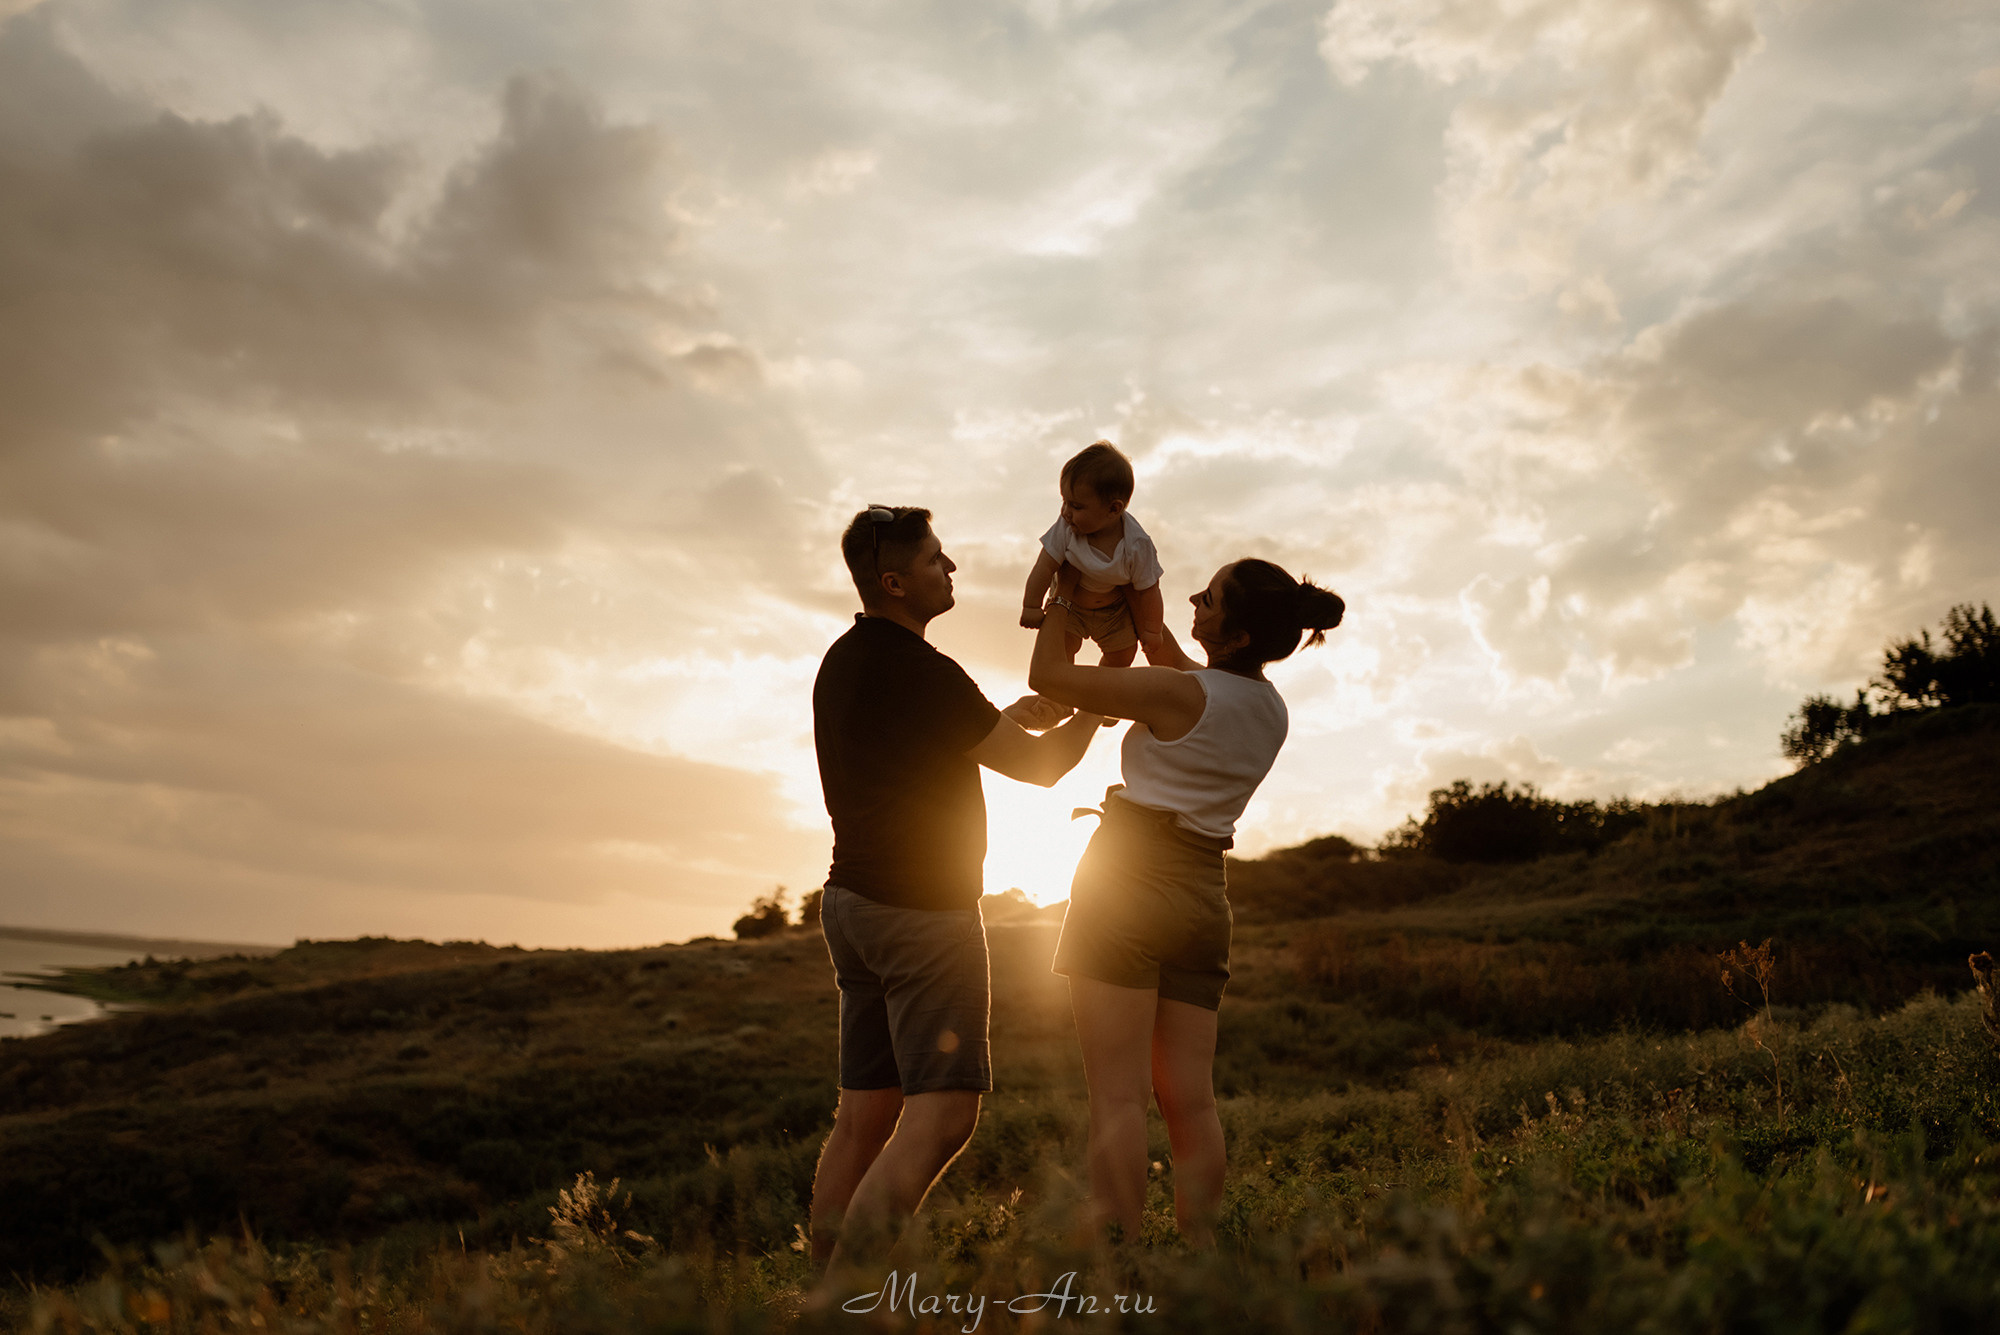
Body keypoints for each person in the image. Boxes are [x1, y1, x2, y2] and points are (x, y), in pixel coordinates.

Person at [808, 504, 1105, 1272]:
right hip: (919, 914)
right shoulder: (925, 671)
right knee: (943, 1115)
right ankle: (843, 1304)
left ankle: (818, 1290)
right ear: (895, 580)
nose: (953, 568)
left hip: (851, 906)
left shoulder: (845, 659)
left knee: (863, 1118)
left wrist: (1003, 719)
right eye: (939, 559)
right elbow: (1042, 770)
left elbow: (903, 756)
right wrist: (1103, 702)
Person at [1026, 556, 1344, 1245]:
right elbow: (1163, 644)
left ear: (1233, 636)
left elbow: (1047, 677)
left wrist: (1059, 600)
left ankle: (1119, 1263)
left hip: (1129, 883)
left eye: (1211, 597)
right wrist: (1139, 579)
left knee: (1118, 1096)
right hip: (1203, 896)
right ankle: (1201, 1257)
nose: (1195, 600)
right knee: (1191, 1100)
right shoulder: (1268, 708)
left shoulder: (1179, 694)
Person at [1019, 442, 1168, 668]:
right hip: (1071, 606)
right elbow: (1044, 566)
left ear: (1113, 509)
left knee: (1124, 654)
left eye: (1076, 506)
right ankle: (1061, 699)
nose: (1066, 512)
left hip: (1113, 611)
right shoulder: (1066, 528)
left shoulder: (1136, 544)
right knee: (1061, 646)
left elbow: (1149, 590)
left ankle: (1098, 693)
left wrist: (1152, 630)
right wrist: (1031, 605)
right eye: (1064, 502)